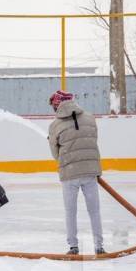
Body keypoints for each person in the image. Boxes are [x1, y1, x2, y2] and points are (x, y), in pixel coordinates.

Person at [47, 90, 105, 255]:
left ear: (58, 104)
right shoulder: (90, 118)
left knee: (70, 212)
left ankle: (73, 246)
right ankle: (99, 246)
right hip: (90, 172)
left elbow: (55, 154)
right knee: (94, 211)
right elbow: (92, 141)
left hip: (69, 174)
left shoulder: (55, 125)